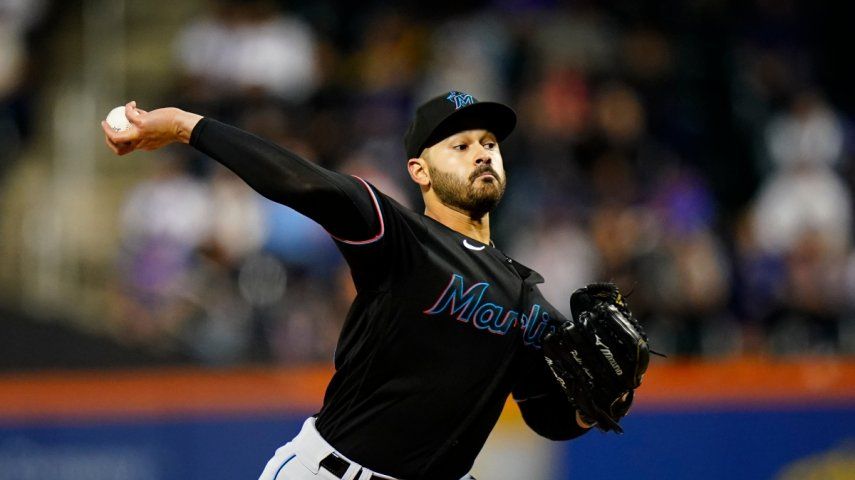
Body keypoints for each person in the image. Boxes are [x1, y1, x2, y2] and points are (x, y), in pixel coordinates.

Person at [102, 91, 598, 480]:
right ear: (419, 171)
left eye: (490, 143)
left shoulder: (527, 299)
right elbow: (305, 183)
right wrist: (188, 127)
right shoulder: (401, 236)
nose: (483, 154)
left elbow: (549, 418)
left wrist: (601, 403)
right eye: (461, 145)